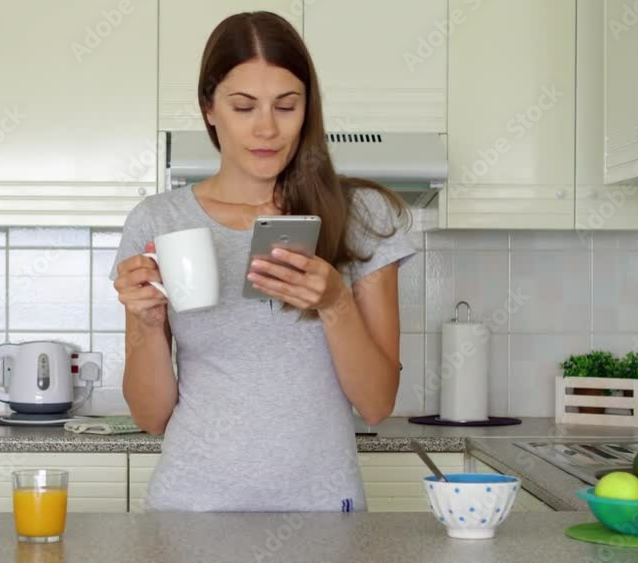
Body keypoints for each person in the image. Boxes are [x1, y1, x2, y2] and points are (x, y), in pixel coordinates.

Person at [109, 11, 416, 512]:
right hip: (191, 513)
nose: (267, 128)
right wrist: (148, 322)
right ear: (209, 109)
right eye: (244, 106)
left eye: (286, 106)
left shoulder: (363, 216)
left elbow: (378, 404)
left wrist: (334, 302)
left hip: (323, 518)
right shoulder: (158, 221)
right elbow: (151, 417)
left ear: (307, 109)